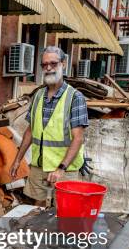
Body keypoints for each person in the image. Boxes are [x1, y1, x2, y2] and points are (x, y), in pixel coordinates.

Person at [9, 46, 88, 206]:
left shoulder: (75, 97)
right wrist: (18, 160)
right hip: (40, 165)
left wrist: (61, 169)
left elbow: (78, 138)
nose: (49, 68)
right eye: (44, 65)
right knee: (36, 209)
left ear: (63, 64)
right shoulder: (38, 95)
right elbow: (30, 131)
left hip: (65, 169)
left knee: (63, 213)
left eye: (53, 63)